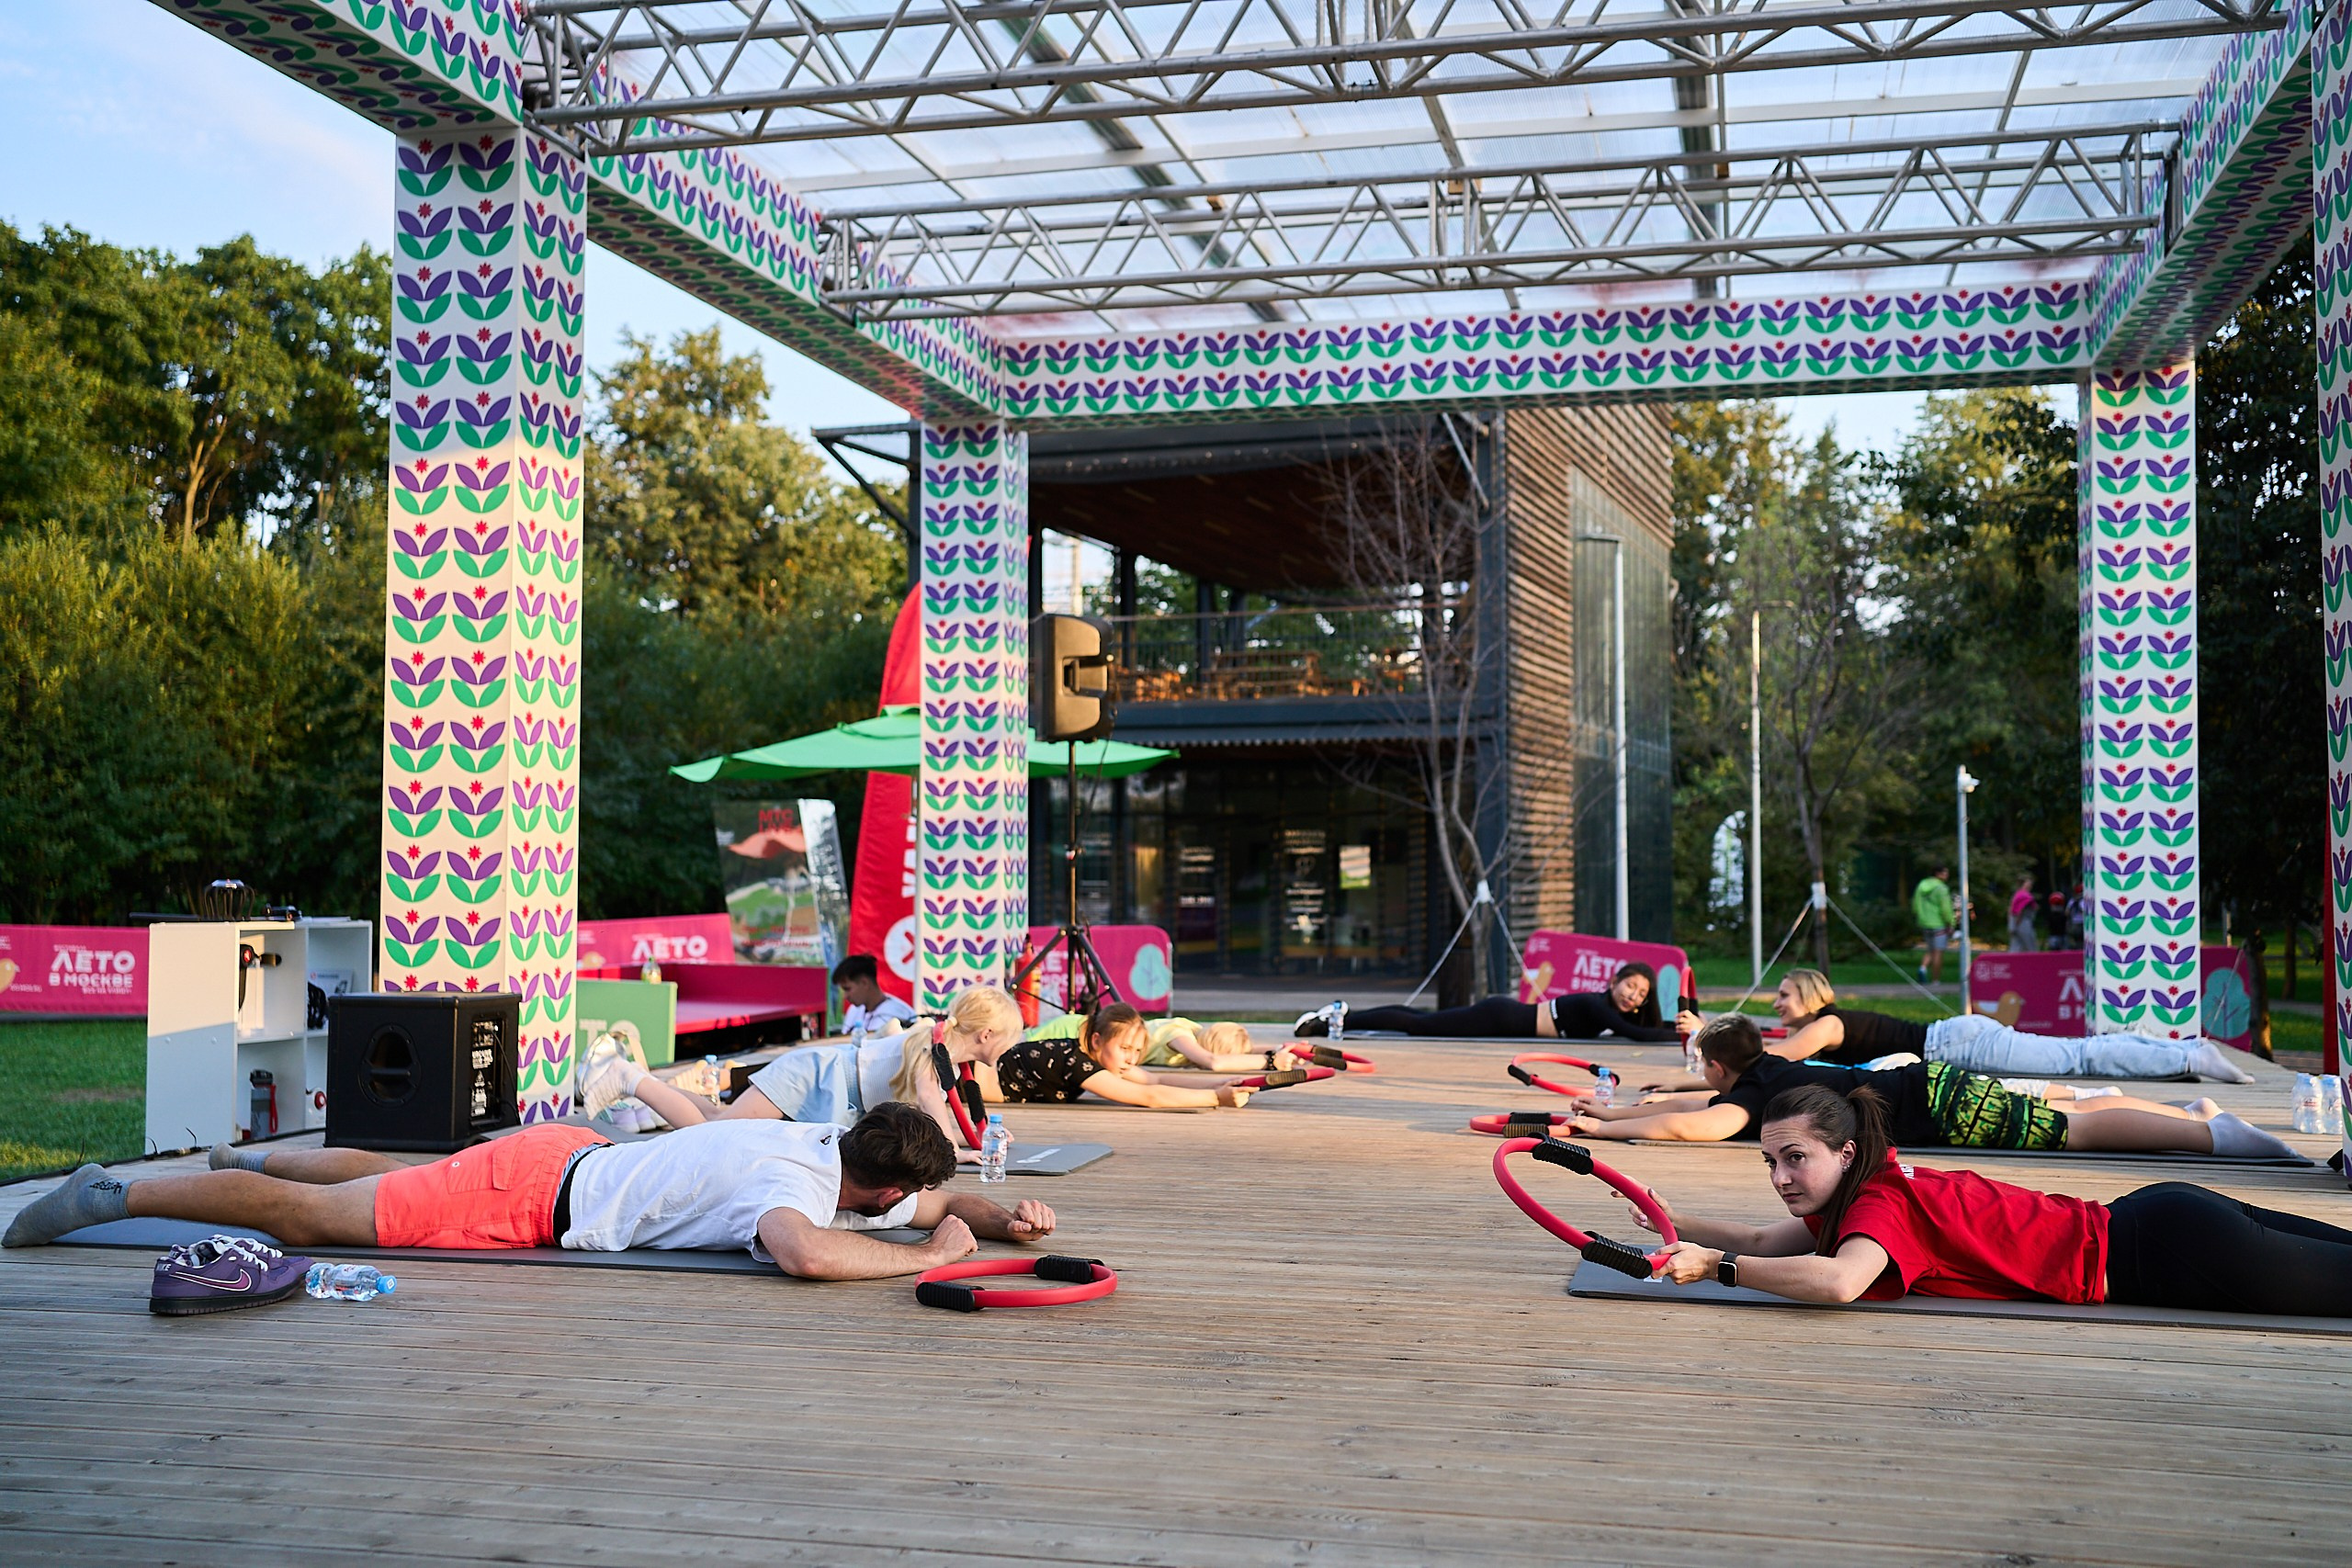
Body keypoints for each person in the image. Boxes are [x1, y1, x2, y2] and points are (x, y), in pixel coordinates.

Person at [5, 1103, 1056, 1281]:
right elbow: (807, 1253)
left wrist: (1001, 1219)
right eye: (904, 1204)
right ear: (877, 1187)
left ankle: (257, 1159)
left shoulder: (829, 1143)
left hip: (563, 1155)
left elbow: (930, 1205)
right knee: (319, 1224)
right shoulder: (796, 1186)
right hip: (530, 1198)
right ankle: (116, 1196)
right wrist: (927, 1262)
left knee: (398, 1177)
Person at [1632, 1082, 2352, 1315]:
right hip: (2159, 1216)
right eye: (1771, 1161)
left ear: (1844, 1153)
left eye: (1796, 1158)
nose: (1781, 1177)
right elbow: (1765, 1240)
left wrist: (1718, 1268)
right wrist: (1675, 1219)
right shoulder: (1865, 1188)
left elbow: (1840, 1280)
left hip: (2163, 1249)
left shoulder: (1878, 1208)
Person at [1559, 1013, 2297, 1158]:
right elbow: (1699, 1105)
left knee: (2072, 1129)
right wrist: (1616, 1113)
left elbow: (1698, 1123)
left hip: (1932, 1099)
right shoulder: (1768, 1073)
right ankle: (2193, 1113)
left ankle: (2213, 1135)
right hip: (1927, 1083)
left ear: (1722, 1067)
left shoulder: (1755, 1096)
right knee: (2067, 1105)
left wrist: (1613, 1127)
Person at [583, 984, 1025, 1159]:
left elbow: (946, 1108)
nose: (1013, 1046)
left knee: (718, 1117)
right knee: (715, 1132)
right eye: (1010, 1037)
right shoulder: (933, 1050)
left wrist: (984, 1136)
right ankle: (628, 1077)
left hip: (822, 1080)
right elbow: (932, 1105)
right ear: (986, 1034)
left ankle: (641, 1082)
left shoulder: (944, 1050)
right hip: (815, 1077)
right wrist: (957, 1153)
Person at [1759, 967, 2255, 1083]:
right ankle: (2178, 1050)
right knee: (2076, 1051)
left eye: (1783, 995)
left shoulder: (1826, 1025)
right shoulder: (1828, 1023)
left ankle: (2190, 1056)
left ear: (1809, 996)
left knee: (2076, 1058)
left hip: (1959, 1046)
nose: (1777, 1003)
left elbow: (1769, 1060)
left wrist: (1723, 1059)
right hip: (1958, 1040)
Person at [1295, 963, 1702, 1042]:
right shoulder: (1598, 1006)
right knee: (1419, 1024)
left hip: (1504, 1015)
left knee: (1421, 1019)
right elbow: (1635, 1034)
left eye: (1641, 994)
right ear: (1613, 982)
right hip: (1500, 1016)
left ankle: (1341, 1016)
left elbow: (1647, 1028)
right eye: (1630, 986)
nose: (1633, 996)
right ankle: (1337, 1019)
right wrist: (1687, 1035)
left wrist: (1688, 1027)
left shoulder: (1608, 1009)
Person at [976, 1001, 1255, 1109]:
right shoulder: (1078, 1062)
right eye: (1124, 1049)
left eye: (1137, 1051)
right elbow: (1148, 1097)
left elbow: (1154, 1081)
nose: (1131, 1059)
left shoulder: (1094, 1055)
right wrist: (1216, 1098)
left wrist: (1220, 1084)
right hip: (971, 1081)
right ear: (1097, 1041)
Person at [1031, 1011, 1299, 1074]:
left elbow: (1229, 1052)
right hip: (1074, 1030)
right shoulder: (1179, 1034)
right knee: (1019, 1046)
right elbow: (1214, 1062)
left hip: (1096, 1041)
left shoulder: (1196, 1035)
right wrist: (1269, 1061)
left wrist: (1280, 1049)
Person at [834, 953, 917, 1039]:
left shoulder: (898, 1014)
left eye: (847, 989)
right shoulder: (854, 1010)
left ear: (864, 983)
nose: (845, 996)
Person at [1912, 864, 1955, 984]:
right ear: (1938, 874)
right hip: (1938, 924)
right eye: (1945, 873)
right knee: (1938, 952)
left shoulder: (1922, 885)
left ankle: (1922, 968)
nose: (1947, 875)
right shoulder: (1941, 888)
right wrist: (1950, 922)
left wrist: (1919, 915)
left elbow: (1916, 903)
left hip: (1925, 922)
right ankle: (1936, 980)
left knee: (1930, 950)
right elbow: (1945, 908)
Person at [2008, 874, 2040, 953]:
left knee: (2016, 946)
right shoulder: (2025, 895)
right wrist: (2017, 921)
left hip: (2015, 921)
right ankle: (2035, 960)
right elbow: (2021, 909)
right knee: (2030, 946)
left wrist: (2012, 925)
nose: (2030, 885)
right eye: (2028, 883)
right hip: (2023, 921)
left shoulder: (2017, 894)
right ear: (2024, 884)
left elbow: (2011, 909)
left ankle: (2013, 960)